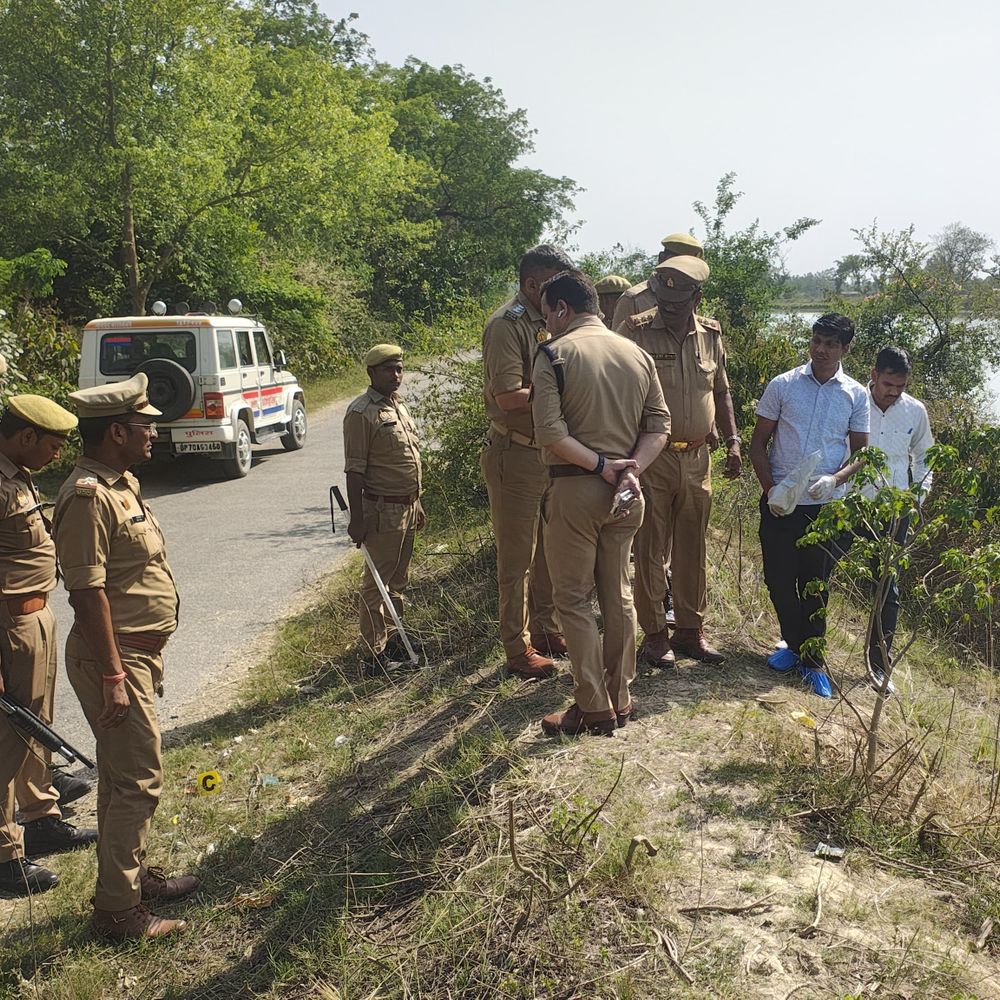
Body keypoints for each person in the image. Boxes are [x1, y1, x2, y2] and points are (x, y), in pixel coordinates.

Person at [53, 373, 197, 940]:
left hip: (135, 656)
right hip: (114, 660)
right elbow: (86, 593)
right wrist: (114, 672)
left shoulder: (121, 483)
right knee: (139, 779)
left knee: (119, 776)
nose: (155, 433)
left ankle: (127, 881)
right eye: (146, 425)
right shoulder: (87, 496)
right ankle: (118, 912)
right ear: (116, 431)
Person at [531, 270, 669, 736]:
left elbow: (550, 433)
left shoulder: (554, 354)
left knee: (571, 599)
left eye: (547, 313)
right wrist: (630, 470)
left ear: (563, 309)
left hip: (576, 489)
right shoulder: (636, 354)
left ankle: (592, 706)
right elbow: (659, 427)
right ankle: (621, 697)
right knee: (619, 595)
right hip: (629, 495)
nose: (545, 323)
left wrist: (600, 466)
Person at [617, 256, 741, 667]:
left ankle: (690, 629)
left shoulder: (711, 335)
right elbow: (619, 397)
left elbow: (721, 391)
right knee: (650, 547)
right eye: (663, 299)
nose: (668, 308)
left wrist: (734, 439)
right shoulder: (634, 332)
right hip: (653, 459)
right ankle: (655, 634)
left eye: (678, 301)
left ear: (697, 298)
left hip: (698, 457)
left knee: (692, 546)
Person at [0, 395, 97, 898]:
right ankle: (5, 854)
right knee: (7, 740)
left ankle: (40, 815)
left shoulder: (17, 472)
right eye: (53, 445)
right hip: (8, 623)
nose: (57, 455)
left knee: (36, 725)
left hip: (32, 616)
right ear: (25, 437)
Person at [749, 314, 870, 698]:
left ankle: (814, 661)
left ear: (845, 349)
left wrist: (835, 480)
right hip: (782, 503)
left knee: (815, 584)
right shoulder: (783, 385)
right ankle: (794, 645)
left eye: (830, 344)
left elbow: (862, 454)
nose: (820, 349)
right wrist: (771, 491)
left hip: (825, 507)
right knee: (778, 580)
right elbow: (758, 443)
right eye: (816, 340)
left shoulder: (855, 394)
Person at [481, 244, 575, 679]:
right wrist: (562, 391)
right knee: (517, 558)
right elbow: (508, 396)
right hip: (515, 451)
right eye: (553, 285)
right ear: (531, 284)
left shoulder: (551, 320)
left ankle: (547, 628)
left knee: (548, 553)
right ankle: (517, 648)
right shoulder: (508, 325)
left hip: (546, 452)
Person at [343, 344, 424, 668]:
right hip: (381, 511)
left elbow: (409, 461)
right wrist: (357, 520)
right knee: (376, 584)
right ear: (371, 373)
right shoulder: (361, 413)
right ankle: (373, 653)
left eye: (399, 368)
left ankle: (394, 639)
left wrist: (417, 503)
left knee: (397, 582)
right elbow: (354, 470)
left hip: (407, 507)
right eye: (389, 369)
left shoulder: (398, 407)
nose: (396, 375)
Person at [862, 346, 934, 692]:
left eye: (900, 386)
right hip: (849, 506)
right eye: (888, 383)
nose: (893, 391)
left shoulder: (915, 411)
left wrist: (916, 497)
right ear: (874, 375)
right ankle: (805, 651)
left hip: (894, 511)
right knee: (819, 572)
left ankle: (878, 667)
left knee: (887, 589)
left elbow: (925, 458)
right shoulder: (852, 400)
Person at [611, 232, 705, 329]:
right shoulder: (633, 300)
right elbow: (617, 342)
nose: (685, 271)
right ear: (661, 259)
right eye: (679, 263)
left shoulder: (691, 294)